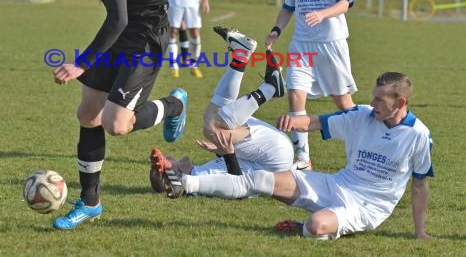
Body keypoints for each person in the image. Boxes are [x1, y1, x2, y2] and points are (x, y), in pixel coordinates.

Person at [37, 0, 188, 230]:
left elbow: (118, 18)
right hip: (122, 30)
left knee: (116, 124)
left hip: (144, 36)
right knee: (87, 113)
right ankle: (90, 202)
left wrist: (81, 63)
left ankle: (174, 106)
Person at [168, 72, 433, 240]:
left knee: (315, 226)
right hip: (338, 184)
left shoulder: (418, 135)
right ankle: (185, 183)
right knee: (260, 178)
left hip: (367, 206)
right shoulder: (362, 115)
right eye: (373, 98)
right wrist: (293, 122)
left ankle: (306, 227)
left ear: (400, 103)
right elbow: (316, 122)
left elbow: (420, 186)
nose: (372, 104)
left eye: (380, 100)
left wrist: (420, 232)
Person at [150, 26, 292, 197]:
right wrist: (228, 154)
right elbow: (240, 186)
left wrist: (220, 150)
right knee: (212, 128)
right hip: (275, 157)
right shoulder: (196, 179)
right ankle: (270, 88)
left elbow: (240, 170)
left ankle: (241, 55)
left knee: (216, 115)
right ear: (177, 174)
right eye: (170, 162)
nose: (170, 156)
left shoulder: (199, 173)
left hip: (273, 154)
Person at [265, 0, 357, 171]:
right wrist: (276, 30)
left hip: (331, 44)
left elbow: (345, 3)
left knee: (343, 103)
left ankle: (360, 150)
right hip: (301, 45)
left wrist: (323, 14)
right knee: (295, 94)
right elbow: (288, 7)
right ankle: (303, 158)